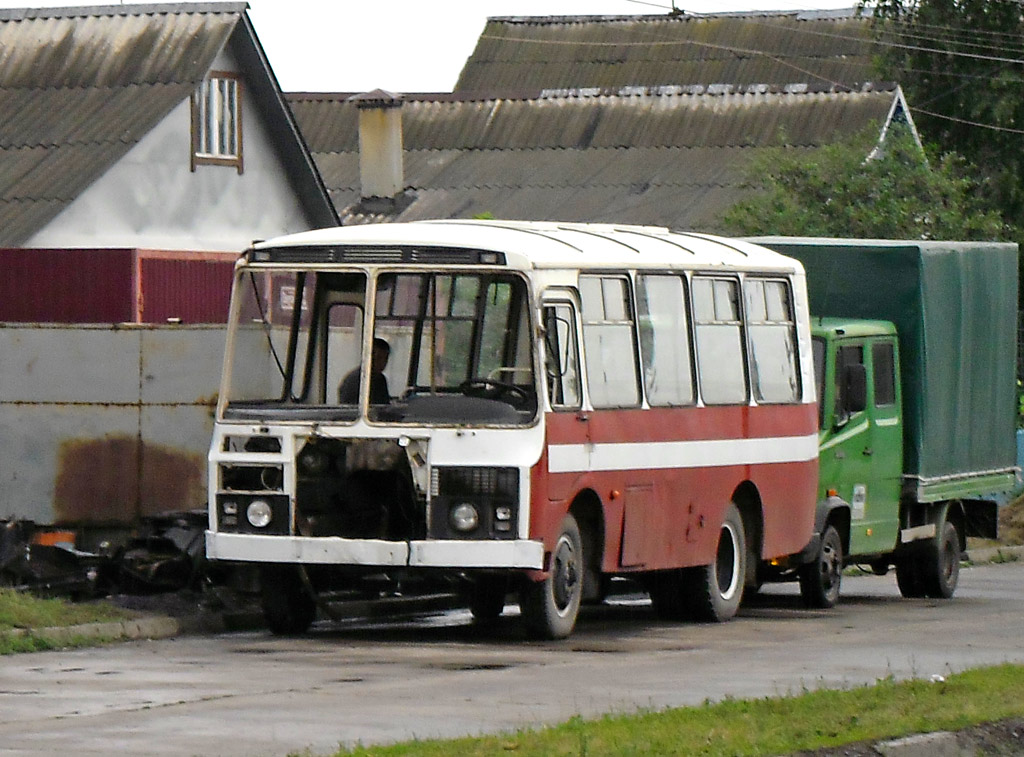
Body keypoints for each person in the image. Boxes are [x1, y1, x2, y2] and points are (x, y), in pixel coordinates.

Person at [339, 337, 391, 405]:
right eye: (379, 357)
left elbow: (384, 405)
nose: (382, 362)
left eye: (385, 358)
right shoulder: (358, 380)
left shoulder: (380, 379)